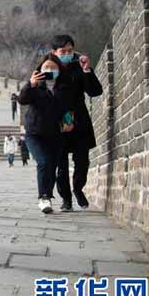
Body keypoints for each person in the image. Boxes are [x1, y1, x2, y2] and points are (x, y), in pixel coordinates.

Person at [51, 34, 103, 211]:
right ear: (54, 52)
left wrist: (87, 70)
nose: (66, 54)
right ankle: (66, 199)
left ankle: (78, 189)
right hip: (58, 120)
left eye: (69, 50)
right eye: (62, 51)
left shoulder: (79, 66)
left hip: (79, 118)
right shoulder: (48, 68)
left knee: (82, 160)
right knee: (61, 165)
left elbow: (95, 92)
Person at [18, 54, 73, 215]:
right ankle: (43, 197)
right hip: (34, 133)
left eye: (53, 67)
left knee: (52, 167)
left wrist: (69, 121)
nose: (49, 70)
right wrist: (30, 84)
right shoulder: (35, 87)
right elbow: (22, 99)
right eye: (46, 68)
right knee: (43, 162)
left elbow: (67, 108)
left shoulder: (63, 87)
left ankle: (48, 195)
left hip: (55, 133)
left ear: (59, 69)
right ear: (40, 70)